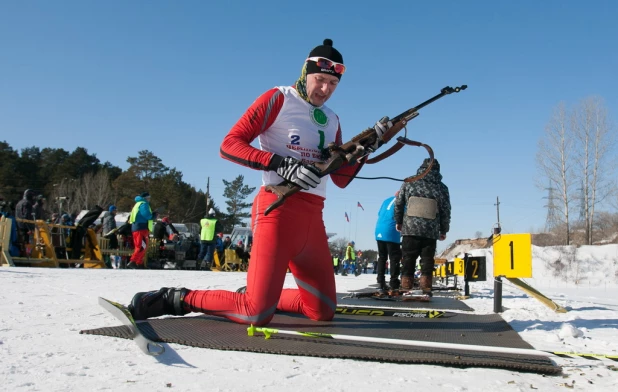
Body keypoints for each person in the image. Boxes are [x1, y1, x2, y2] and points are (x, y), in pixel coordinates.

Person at [128, 38, 392, 325]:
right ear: (306, 73)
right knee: (255, 313)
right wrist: (281, 163)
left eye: (333, 84)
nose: (325, 90)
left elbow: (340, 179)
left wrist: (366, 149)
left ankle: (257, 294)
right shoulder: (279, 98)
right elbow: (229, 144)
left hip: (313, 218)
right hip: (277, 210)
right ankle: (173, 298)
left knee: (323, 311)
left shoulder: (332, 118)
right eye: (320, 80)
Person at [394, 158, 451, 295]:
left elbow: (399, 203)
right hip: (430, 231)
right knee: (427, 260)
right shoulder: (442, 187)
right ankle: (425, 287)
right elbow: (445, 210)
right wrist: (443, 230)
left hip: (410, 228)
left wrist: (399, 221)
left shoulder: (409, 182)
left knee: (408, 258)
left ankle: (406, 286)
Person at [374, 192, 402, 291]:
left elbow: (379, 213)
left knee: (382, 257)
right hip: (391, 231)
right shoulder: (403, 201)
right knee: (394, 258)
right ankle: (394, 282)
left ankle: (380, 281)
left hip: (379, 229)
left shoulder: (386, 200)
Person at [128, 192, 156, 269]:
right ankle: (133, 261)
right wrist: (154, 215)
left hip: (137, 227)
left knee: (141, 246)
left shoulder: (138, 204)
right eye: (148, 198)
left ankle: (139, 262)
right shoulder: (144, 204)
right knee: (142, 246)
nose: (149, 199)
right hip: (141, 228)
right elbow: (147, 216)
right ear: (145, 198)